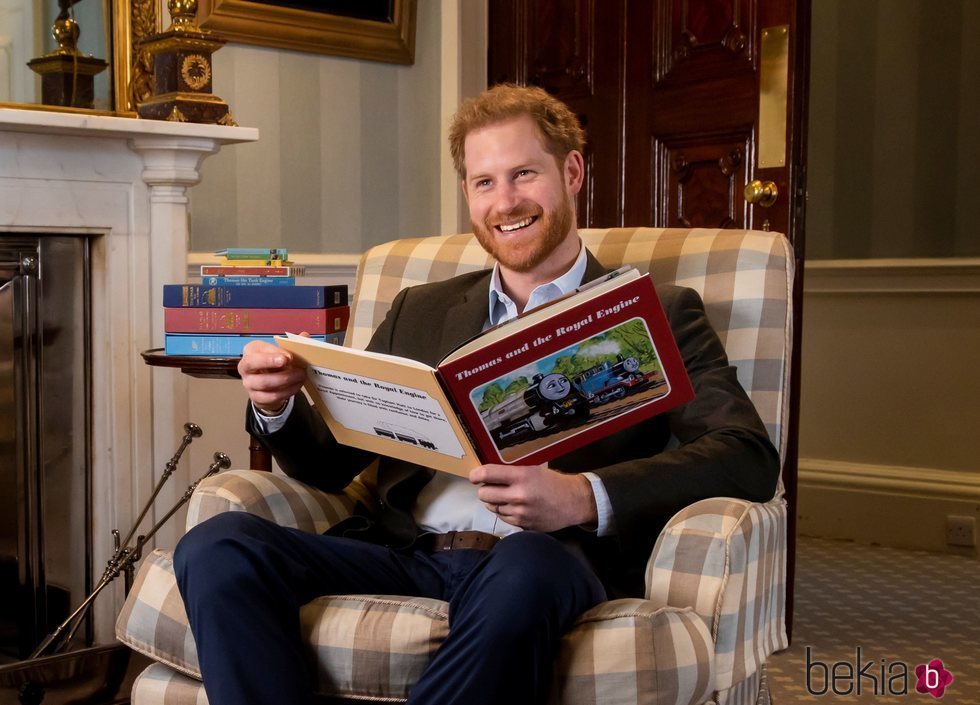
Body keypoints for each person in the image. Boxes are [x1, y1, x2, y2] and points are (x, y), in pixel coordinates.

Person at [174, 84, 780, 705]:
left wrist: (581, 496)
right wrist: (276, 405)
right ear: (467, 194)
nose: (506, 201)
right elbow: (330, 465)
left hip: (542, 561)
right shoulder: (420, 311)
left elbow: (746, 454)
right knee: (216, 545)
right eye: (484, 182)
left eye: (524, 174)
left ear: (570, 172)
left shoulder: (657, 312)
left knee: (529, 567)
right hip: (405, 551)